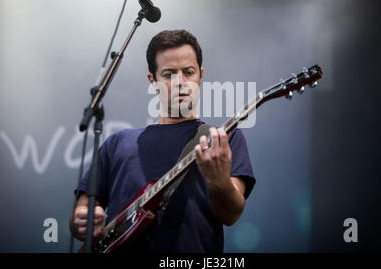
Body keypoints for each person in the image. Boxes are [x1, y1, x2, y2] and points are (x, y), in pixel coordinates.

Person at [69, 29, 255, 252]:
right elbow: (83, 209)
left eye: (189, 72)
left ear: (201, 75)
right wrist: (81, 220)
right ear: (152, 80)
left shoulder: (224, 137)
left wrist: (218, 181)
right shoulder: (117, 142)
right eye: (169, 74)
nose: (180, 82)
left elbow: (231, 214)